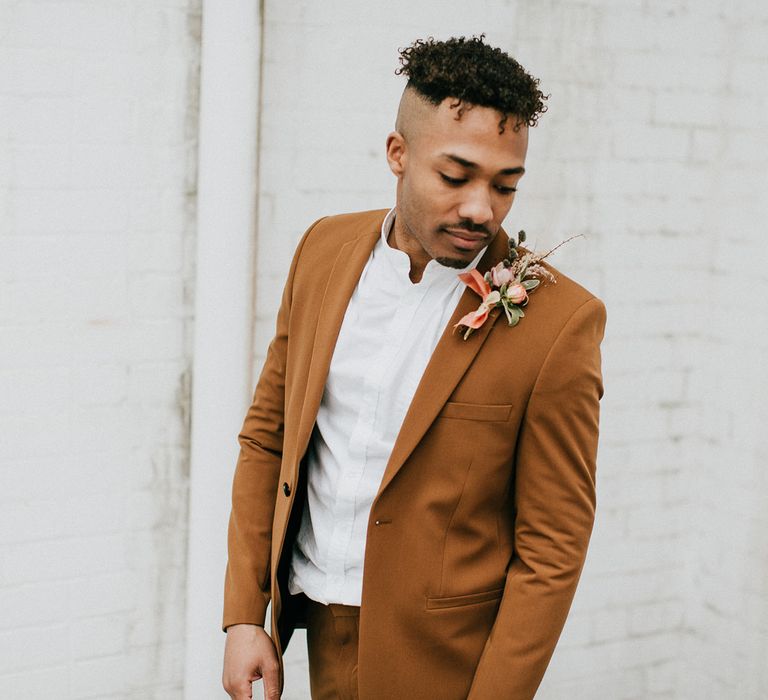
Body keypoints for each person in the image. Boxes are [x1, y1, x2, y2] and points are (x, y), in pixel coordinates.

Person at [221, 35, 606, 700]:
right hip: (310, 631)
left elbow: (552, 548)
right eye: (456, 177)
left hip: (440, 668)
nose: (482, 209)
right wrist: (242, 616)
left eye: (505, 185)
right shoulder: (321, 248)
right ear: (398, 155)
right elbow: (268, 438)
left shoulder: (560, 324)